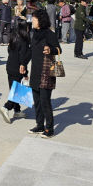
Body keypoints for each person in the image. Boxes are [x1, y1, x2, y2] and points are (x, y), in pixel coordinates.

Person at [27, 9, 61, 138]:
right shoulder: (34, 33)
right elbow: (31, 51)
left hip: (46, 71)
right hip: (35, 70)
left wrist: (50, 49)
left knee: (45, 101)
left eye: (34, 19)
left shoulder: (49, 34)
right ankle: (39, 125)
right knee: (37, 101)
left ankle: (50, 128)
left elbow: (59, 49)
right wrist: (23, 64)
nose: (32, 21)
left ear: (40, 20)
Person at [0, 19, 32, 123]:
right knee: (17, 92)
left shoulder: (13, 37)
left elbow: (11, 52)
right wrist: (25, 72)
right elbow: (23, 56)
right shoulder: (24, 40)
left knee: (14, 89)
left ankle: (17, 110)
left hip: (10, 66)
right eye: (27, 27)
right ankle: (6, 107)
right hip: (18, 68)